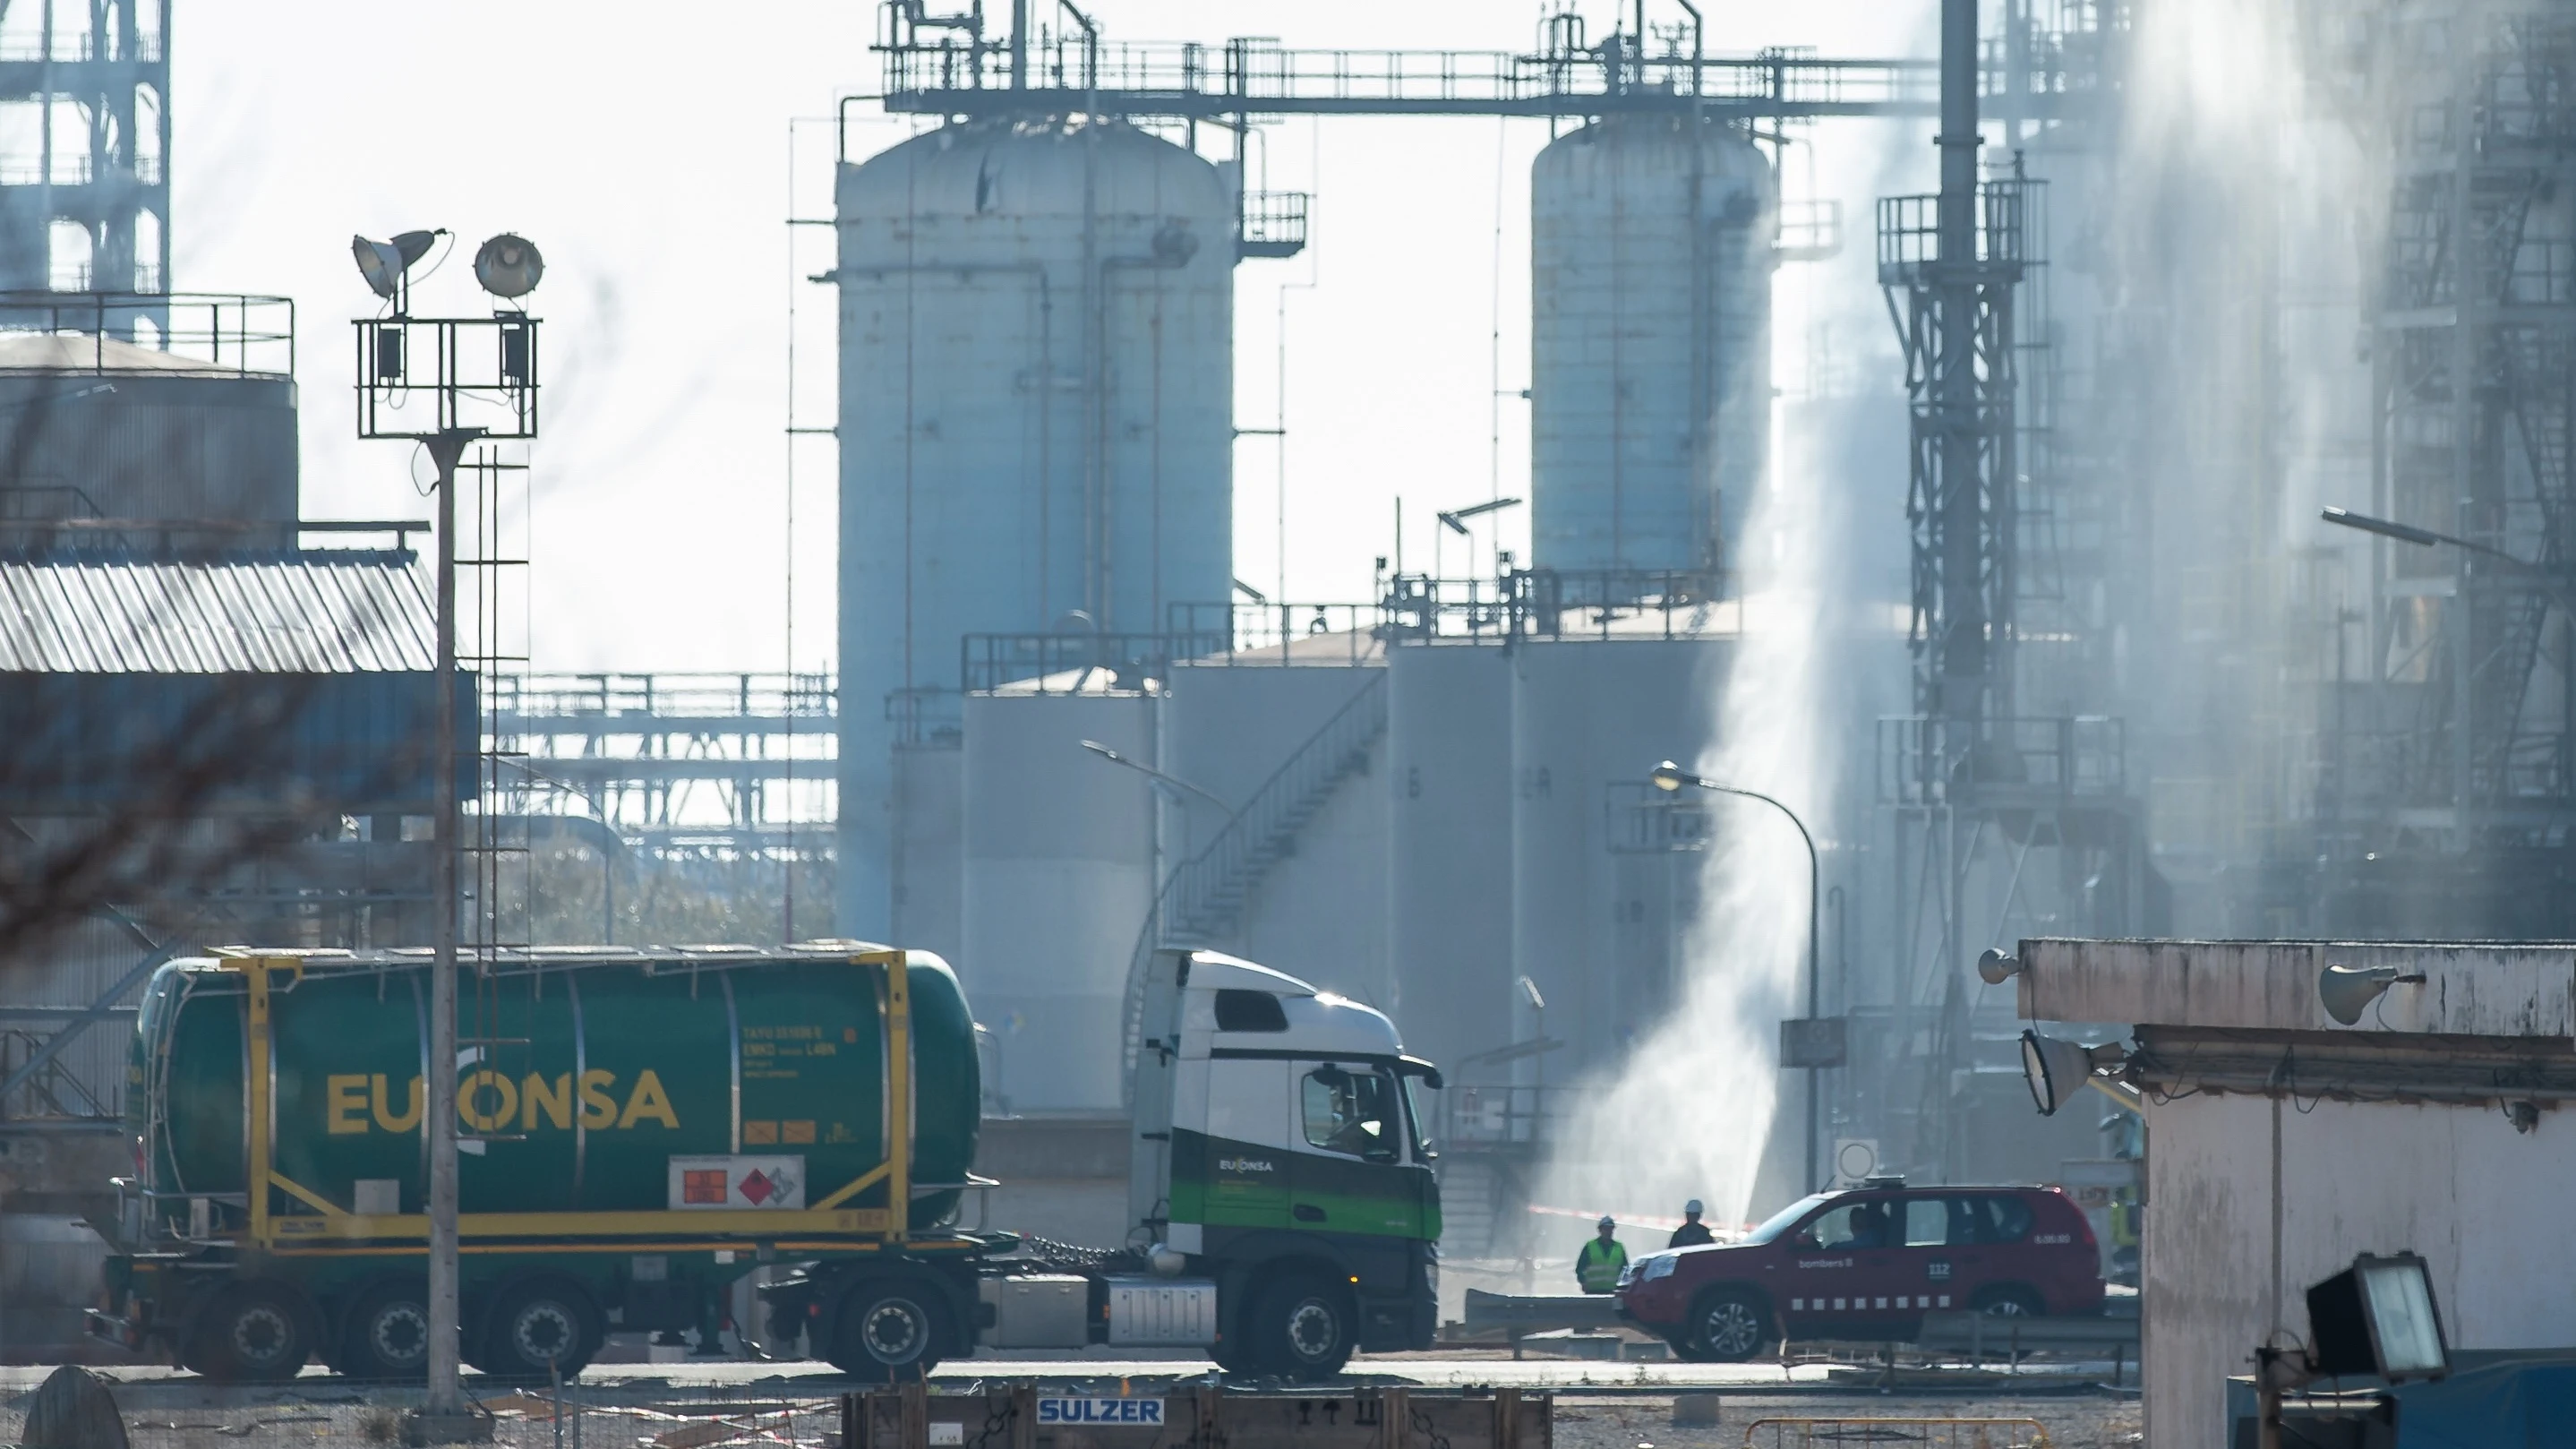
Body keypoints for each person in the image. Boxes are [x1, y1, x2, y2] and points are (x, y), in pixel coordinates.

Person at [1575, 1215, 1629, 1293]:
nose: (1608, 1232)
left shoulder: (1619, 1247)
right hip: (1593, 1290)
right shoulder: (1590, 1246)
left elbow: (1625, 1269)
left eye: (1610, 1229)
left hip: (1613, 1290)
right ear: (1600, 1230)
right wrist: (1583, 1282)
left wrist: (1624, 1286)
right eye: (1606, 1229)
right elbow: (1580, 1268)